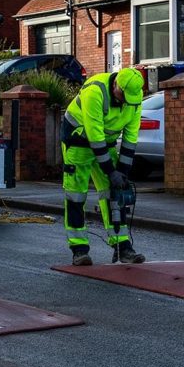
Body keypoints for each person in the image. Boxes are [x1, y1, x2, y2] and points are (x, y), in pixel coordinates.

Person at [61, 67, 146, 266]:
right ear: (116, 85)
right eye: (123, 96)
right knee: (76, 194)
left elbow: (131, 138)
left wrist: (122, 174)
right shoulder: (95, 91)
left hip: (105, 144)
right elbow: (95, 136)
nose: (126, 102)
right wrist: (110, 171)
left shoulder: (134, 97)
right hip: (78, 140)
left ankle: (123, 246)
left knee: (114, 193)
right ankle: (79, 249)